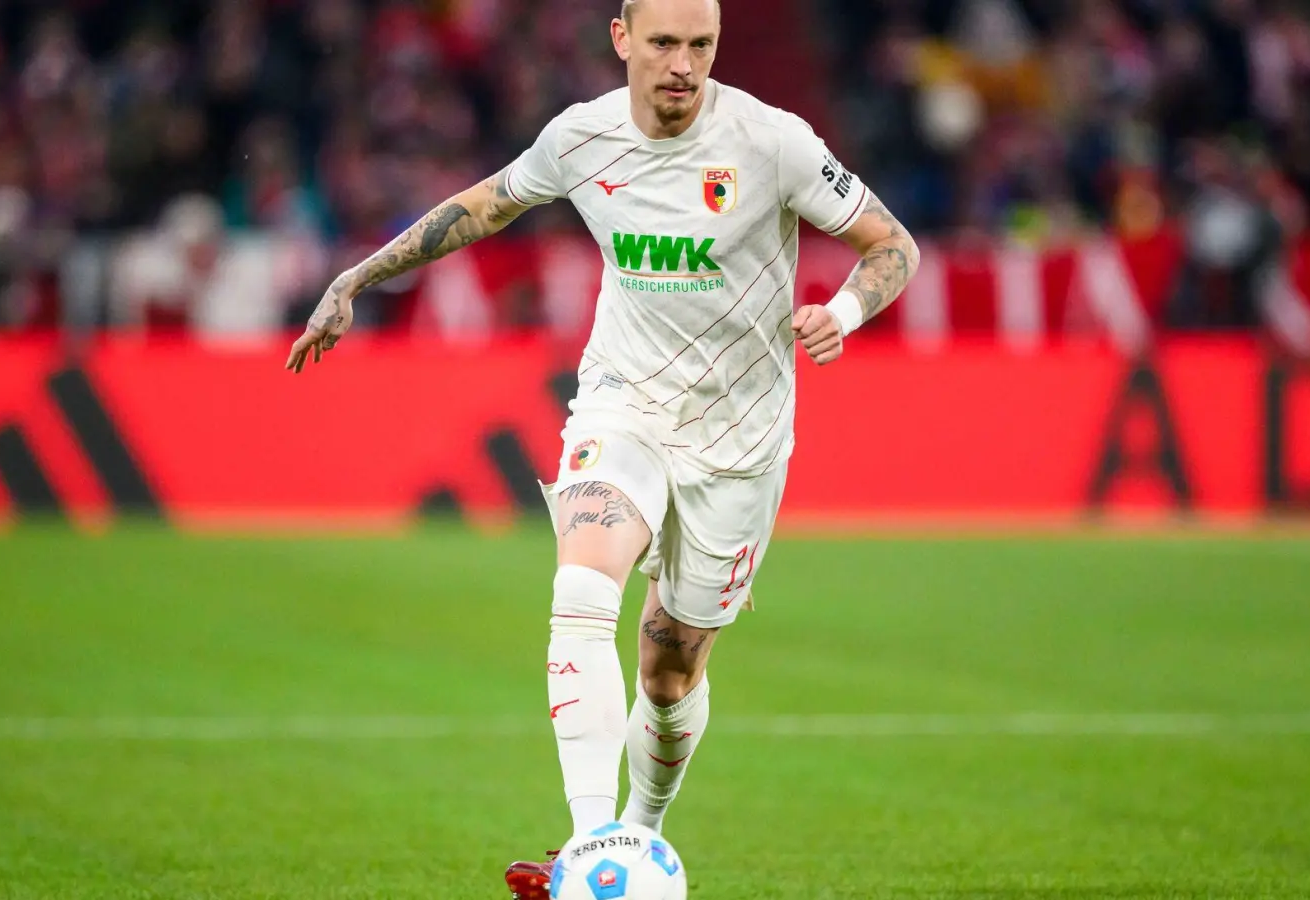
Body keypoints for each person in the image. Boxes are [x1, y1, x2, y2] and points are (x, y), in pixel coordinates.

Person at [284, 1, 920, 896]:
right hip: (622, 404)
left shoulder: (773, 142)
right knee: (583, 585)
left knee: (669, 664)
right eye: (663, 43)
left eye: (700, 46)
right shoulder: (581, 139)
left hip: (740, 441)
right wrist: (357, 277)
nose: (682, 65)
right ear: (622, 40)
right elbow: (482, 207)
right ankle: (590, 851)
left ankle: (638, 833)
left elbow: (892, 244)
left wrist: (843, 312)